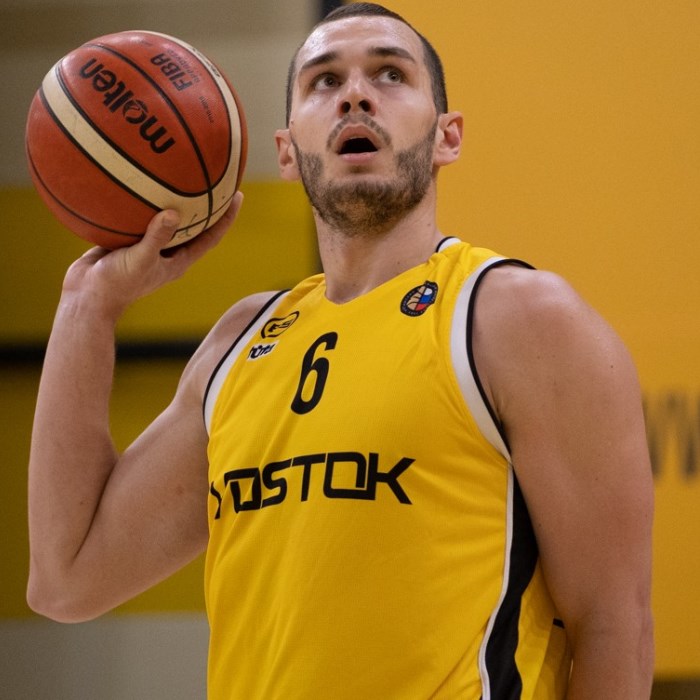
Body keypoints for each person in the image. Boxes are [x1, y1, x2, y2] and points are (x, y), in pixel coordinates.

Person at [27, 3, 654, 698]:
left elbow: (614, 626)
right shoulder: (240, 343)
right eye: (324, 81)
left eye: (390, 74)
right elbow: (67, 578)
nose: (356, 93)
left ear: (447, 136)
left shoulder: (519, 319)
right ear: (287, 152)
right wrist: (87, 306)